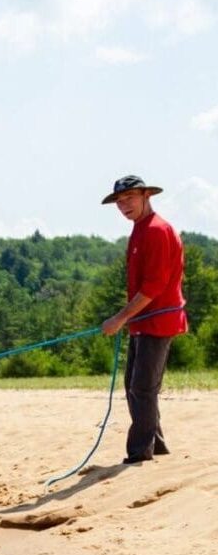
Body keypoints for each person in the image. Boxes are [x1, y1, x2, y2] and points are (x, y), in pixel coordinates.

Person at [99, 175, 187, 464]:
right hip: (141, 322)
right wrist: (127, 319)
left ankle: (139, 454)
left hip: (159, 322)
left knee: (142, 388)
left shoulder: (158, 230)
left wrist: (119, 318)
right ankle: (156, 445)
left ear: (147, 195)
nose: (124, 205)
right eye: (119, 201)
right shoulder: (139, 230)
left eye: (130, 198)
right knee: (134, 386)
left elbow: (153, 286)